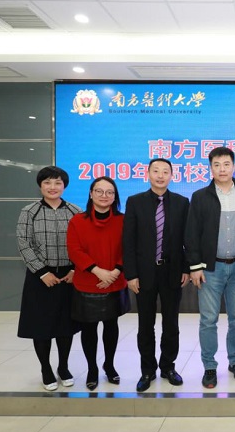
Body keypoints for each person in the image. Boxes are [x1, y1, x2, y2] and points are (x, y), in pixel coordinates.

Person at [185, 147, 235, 389]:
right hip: (210, 269)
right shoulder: (200, 196)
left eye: (226, 164)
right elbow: (191, 234)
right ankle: (209, 366)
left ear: (234, 166)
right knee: (208, 320)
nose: (222, 169)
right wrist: (195, 266)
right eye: (217, 165)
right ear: (210, 168)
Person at [123, 158, 190, 392]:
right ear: (148, 174)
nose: (160, 175)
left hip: (172, 272)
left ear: (172, 175)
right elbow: (128, 241)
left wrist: (186, 268)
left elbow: (187, 240)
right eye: (156, 171)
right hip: (144, 274)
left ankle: (168, 367)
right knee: (145, 324)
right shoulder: (135, 202)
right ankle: (147, 370)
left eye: (165, 172)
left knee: (171, 324)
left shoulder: (182, 202)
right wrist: (131, 274)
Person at [16, 166, 81, 391]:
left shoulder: (75, 211)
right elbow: (23, 244)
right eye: (47, 183)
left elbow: (82, 245)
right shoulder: (29, 212)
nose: (52, 187)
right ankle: (46, 369)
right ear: (40, 185)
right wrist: (42, 272)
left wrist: (75, 270)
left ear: (64, 186)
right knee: (41, 326)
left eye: (57, 183)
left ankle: (63, 366)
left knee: (65, 326)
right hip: (40, 277)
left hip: (68, 277)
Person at [67, 176, 128, 391]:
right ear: (91, 194)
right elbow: (74, 250)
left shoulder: (123, 220)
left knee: (111, 327)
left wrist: (115, 272)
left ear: (115, 196)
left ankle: (109, 365)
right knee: (89, 329)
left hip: (115, 280)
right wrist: (97, 271)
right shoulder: (77, 221)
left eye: (110, 192)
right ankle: (92, 368)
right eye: (99, 191)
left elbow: (128, 248)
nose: (104, 196)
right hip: (87, 282)